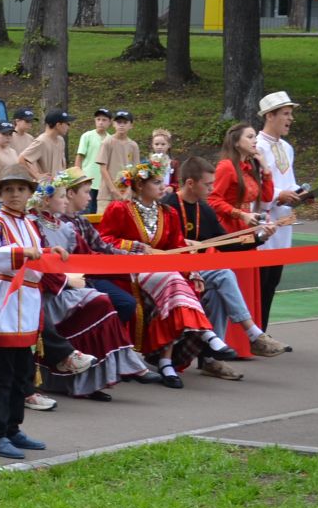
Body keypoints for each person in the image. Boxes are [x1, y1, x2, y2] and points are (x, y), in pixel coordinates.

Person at [97, 159, 241, 386]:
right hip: (130, 270)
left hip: (162, 272)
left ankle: (167, 361)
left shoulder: (168, 212)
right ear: (140, 186)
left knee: (175, 284)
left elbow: (176, 248)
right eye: (156, 182)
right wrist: (135, 247)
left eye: (162, 181)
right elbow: (103, 240)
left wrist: (192, 271)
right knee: (173, 279)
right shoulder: (120, 209)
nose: (163, 187)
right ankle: (205, 335)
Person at [26, 171, 149, 399]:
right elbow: (36, 265)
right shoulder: (33, 226)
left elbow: (89, 255)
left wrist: (129, 260)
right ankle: (114, 363)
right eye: (61, 196)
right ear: (46, 200)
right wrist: (66, 280)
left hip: (67, 288)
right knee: (100, 302)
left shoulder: (65, 228)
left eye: (65, 195)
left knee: (102, 304)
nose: (64, 201)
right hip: (45, 292)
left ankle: (90, 380)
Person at [0, 169, 58, 459]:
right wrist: (20, 253)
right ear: (1, 193)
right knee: (0, 373)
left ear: (29, 193)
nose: (15, 194)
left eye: (21, 188)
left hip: (28, 303)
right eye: (9, 189)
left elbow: (37, 254)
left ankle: (12, 428)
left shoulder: (29, 223)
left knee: (21, 371)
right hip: (7, 302)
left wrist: (51, 253)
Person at [167, 155, 279, 366]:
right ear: (190, 183)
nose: (212, 189)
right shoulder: (168, 206)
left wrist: (260, 237)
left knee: (219, 287)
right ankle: (252, 333)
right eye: (208, 184)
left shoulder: (205, 210)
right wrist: (182, 244)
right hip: (171, 276)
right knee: (223, 273)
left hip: (196, 275)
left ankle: (211, 359)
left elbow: (227, 243)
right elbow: (157, 244)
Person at [211, 123, 286, 356]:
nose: (255, 141)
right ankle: (229, 342)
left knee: (247, 284)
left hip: (248, 230)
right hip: (230, 230)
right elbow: (213, 199)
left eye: (255, 137)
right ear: (236, 141)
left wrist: (265, 168)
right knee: (235, 284)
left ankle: (247, 342)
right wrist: (240, 213)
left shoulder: (248, 167)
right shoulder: (226, 167)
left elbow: (265, 197)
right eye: (250, 137)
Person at [254, 91, 305, 330]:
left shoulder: (287, 147)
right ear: (270, 116)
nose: (290, 119)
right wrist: (277, 196)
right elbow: (255, 186)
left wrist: (301, 195)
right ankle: (254, 332)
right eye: (285, 113)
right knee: (260, 280)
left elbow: (289, 180)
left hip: (283, 220)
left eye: (290, 114)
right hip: (264, 221)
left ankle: (262, 330)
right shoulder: (257, 146)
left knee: (273, 280)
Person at [94, 110, 140, 208]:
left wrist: (129, 189)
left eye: (125, 122)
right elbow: (103, 169)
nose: (121, 125)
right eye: (119, 122)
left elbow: (135, 171)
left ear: (131, 125)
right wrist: (113, 190)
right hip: (107, 195)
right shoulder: (107, 142)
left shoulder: (133, 146)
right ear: (114, 124)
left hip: (127, 195)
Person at [20, 109, 71, 183]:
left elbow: (62, 165)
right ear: (58, 125)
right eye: (67, 124)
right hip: (47, 190)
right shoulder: (41, 141)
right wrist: (37, 175)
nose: (68, 127)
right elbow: (21, 159)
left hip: (61, 189)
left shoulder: (61, 140)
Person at [75, 108, 112, 209]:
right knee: (85, 210)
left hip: (103, 183)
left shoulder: (111, 140)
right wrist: (78, 177)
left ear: (110, 122)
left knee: (99, 211)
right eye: (98, 119)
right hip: (87, 179)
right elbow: (80, 157)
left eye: (104, 120)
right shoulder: (87, 136)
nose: (101, 122)